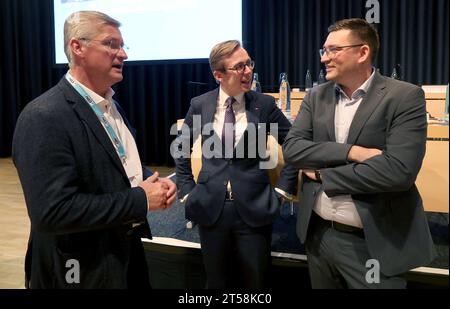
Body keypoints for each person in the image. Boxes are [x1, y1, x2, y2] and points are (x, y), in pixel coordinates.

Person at [12, 11, 176, 288]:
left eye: (123, 45)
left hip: (123, 254)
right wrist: (141, 199)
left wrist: (151, 180)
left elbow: (115, 163)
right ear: (78, 48)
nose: (122, 54)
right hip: (79, 268)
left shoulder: (109, 105)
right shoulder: (43, 116)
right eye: (111, 44)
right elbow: (52, 212)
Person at [283, 18, 435, 289]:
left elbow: (398, 171)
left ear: (363, 52)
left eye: (333, 50)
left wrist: (321, 174)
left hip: (373, 242)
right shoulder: (316, 97)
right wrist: (352, 152)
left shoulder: (404, 97)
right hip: (318, 236)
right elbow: (293, 149)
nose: (324, 58)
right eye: (323, 51)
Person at [174, 40, 298, 288]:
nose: (248, 71)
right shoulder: (200, 104)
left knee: (256, 281)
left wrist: (283, 189)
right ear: (218, 75)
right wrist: (186, 191)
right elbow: (181, 148)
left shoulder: (264, 105)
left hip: (254, 206)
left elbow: (296, 145)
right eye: (239, 66)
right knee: (216, 280)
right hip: (210, 207)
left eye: (249, 63)